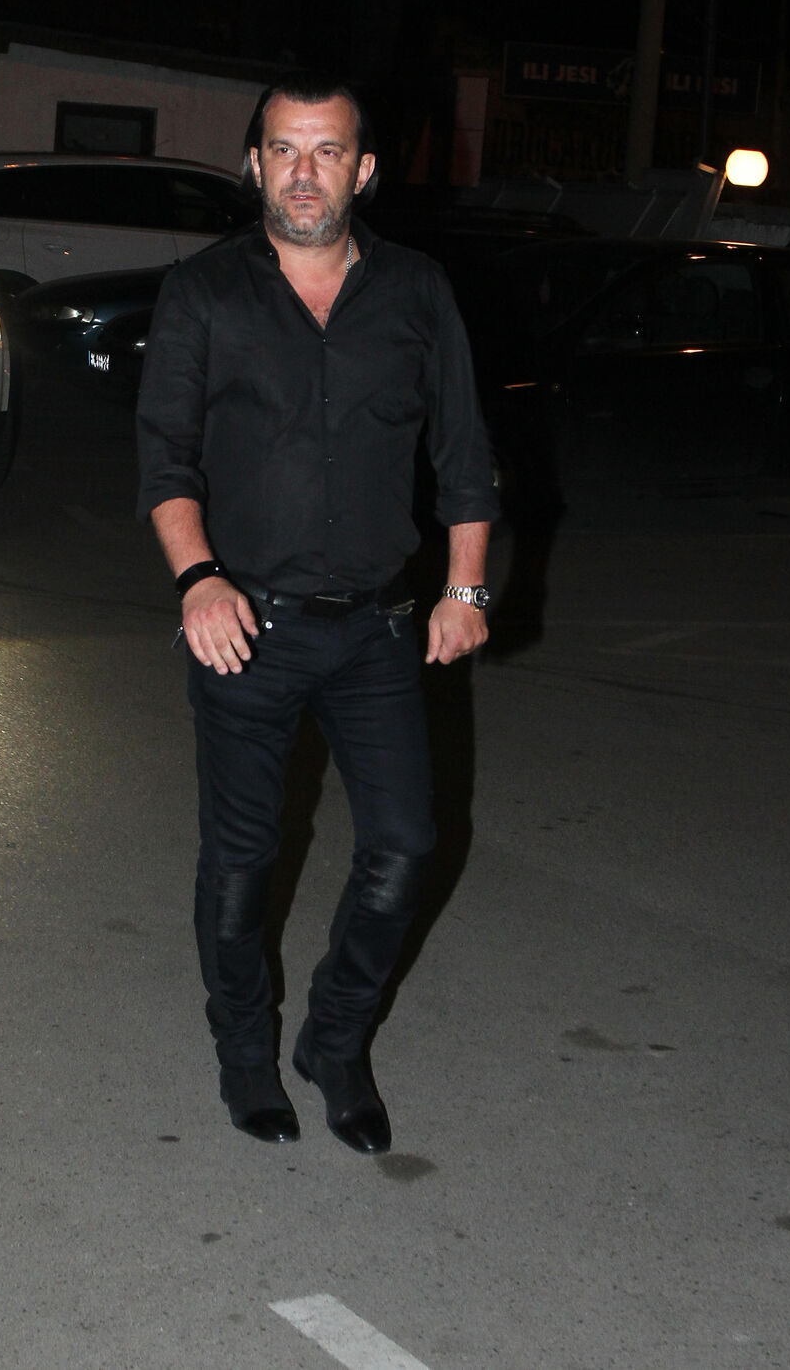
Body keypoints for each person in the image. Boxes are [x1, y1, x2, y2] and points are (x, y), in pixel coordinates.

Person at [136, 75, 499, 1154]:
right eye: (284, 150)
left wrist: (466, 588)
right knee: (243, 863)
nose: (304, 172)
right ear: (254, 164)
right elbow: (165, 459)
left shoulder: (417, 291)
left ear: (363, 169)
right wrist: (198, 578)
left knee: (406, 845)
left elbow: (465, 454)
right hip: (245, 625)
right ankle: (245, 1053)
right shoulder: (203, 292)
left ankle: (334, 1044)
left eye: (327, 151)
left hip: (379, 627)